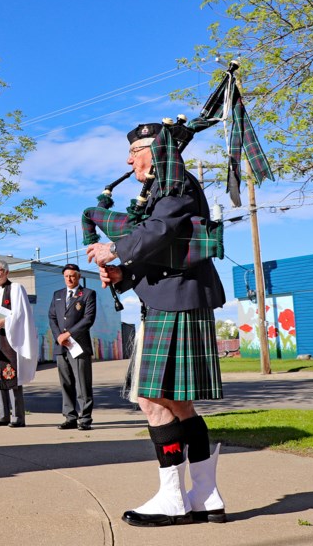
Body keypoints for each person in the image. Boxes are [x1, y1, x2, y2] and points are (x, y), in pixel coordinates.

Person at [87, 122, 226, 528]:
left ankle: (172, 499)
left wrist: (113, 247)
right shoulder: (169, 186)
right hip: (172, 299)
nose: (129, 162)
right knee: (177, 403)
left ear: (155, 148)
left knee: (151, 400)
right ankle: (205, 494)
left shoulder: (176, 182)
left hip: (176, 303)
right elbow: (163, 245)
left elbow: (159, 229)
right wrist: (123, 277)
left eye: (134, 152)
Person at [0, 259, 38, 428]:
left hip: (12, 339)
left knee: (13, 376)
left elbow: (21, 314)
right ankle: (3, 415)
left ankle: (18, 417)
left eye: (0, 270)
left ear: (7, 272)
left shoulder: (17, 289)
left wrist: (3, 322)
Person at [48, 263, 97, 431]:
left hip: (79, 346)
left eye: (73, 276)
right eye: (67, 276)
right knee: (66, 383)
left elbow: (88, 319)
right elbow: (52, 317)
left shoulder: (88, 294)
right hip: (62, 347)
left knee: (82, 384)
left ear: (79, 276)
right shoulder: (57, 295)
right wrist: (59, 337)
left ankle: (85, 419)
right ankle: (70, 417)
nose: (69, 279)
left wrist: (68, 334)